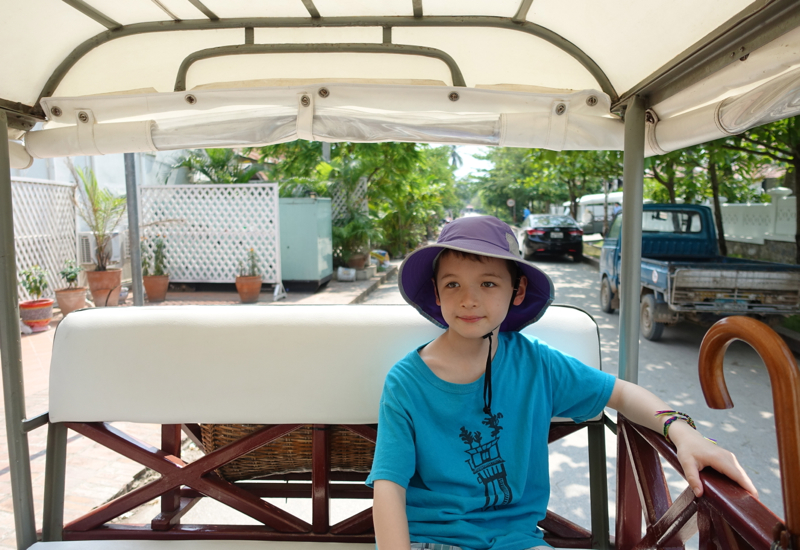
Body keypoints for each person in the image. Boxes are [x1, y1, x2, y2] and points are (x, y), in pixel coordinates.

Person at [367, 215, 757, 550]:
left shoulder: (538, 364)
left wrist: (682, 431)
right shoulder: (406, 381)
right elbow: (389, 484)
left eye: (487, 284)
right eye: (453, 284)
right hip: (431, 538)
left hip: (516, 540)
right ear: (436, 292)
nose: (468, 300)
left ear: (516, 291)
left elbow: (620, 392)